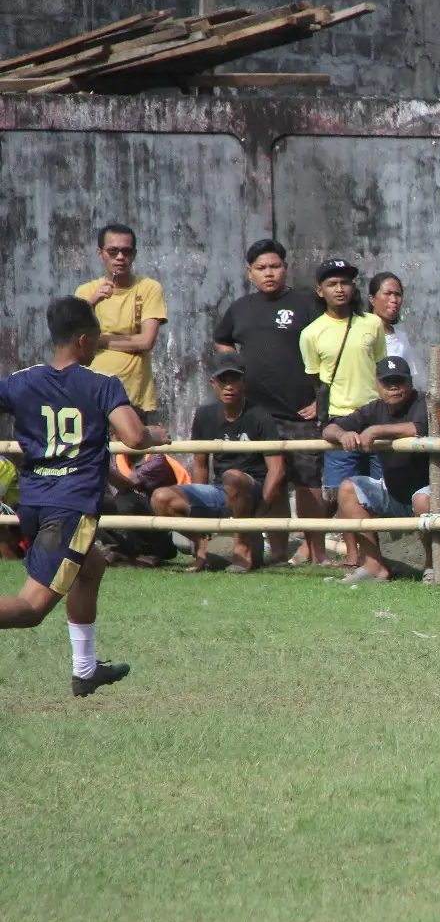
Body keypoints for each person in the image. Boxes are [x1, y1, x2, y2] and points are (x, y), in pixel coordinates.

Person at [0, 296, 168, 697]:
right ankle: (85, 668)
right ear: (82, 340)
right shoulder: (101, 384)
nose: (98, 347)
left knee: (90, 565)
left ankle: (86, 669)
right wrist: (155, 436)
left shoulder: (21, 381)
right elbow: (132, 435)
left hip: (36, 504)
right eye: (96, 340)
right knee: (31, 610)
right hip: (72, 506)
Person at [213, 238, 326, 564]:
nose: (269, 273)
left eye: (275, 266)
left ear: (285, 268)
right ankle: (277, 551)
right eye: (261, 268)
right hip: (259, 415)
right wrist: (236, 368)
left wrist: (321, 398)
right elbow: (222, 339)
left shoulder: (306, 303)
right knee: (271, 482)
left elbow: (328, 349)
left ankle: (316, 553)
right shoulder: (241, 309)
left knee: (307, 481)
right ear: (250, 273)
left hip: (300, 411)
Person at [324, 356, 440, 584]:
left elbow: (418, 427)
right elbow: (329, 429)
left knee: (422, 498)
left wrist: (375, 431)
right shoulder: (374, 409)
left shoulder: (424, 402)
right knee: (348, 489)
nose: (394, 387)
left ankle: (432, 566)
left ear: (410, 382)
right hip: (396, 493)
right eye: (387, 382)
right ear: (378, 385)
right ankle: (374, 566)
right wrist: (343, 434)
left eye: (399, 381)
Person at [150, 352, 287, 573]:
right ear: (213, 383)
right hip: (220, 490)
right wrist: (200, 516)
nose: (228, 386)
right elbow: (200, 465)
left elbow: (277, 470)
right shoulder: (204, 415)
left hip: (251, 490)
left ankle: (242, 545)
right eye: (223, 380)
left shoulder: (260, 416)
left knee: (233, 477)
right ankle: (201, 544)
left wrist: (259, 512)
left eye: (234, 379)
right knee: (160, 498)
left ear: (244, 382)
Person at [299, 258, 385, 567]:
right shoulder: (312, 333)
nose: (340, 289)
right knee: (340, 492)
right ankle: (352, 557)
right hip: (338, 418)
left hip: (374, 416)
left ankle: (375, 557)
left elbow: (380, 371)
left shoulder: (372, 324)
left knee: (378, 488)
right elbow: (315, 380)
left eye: (345, 282)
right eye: (333, 283)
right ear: (320, 290)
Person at [74, 223, 167, 419]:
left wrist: (98, 341)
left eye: (126, 251)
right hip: (91, 395)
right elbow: (73, 341)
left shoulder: (149, 288)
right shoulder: (85, 292)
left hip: (133, 397)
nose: (120, 257)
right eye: (112, 251)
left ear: (134, 254)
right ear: (100, 253)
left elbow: (146, 341)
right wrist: (92, 302)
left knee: (132, 446)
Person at [99, 447, 188, 567]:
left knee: (126, 499)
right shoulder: (111, 456)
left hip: (162, 533)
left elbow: (127, 485)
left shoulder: (156, 458)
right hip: (127, 521)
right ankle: (118, 549)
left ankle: (144, 553)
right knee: (90, 499)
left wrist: (98, 464)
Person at [370, 271, 424, 388]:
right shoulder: (361, 334)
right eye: (388, 293)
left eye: (398, 294)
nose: (394, 299)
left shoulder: (401, 338)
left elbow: (409, 380)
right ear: (372, 299)